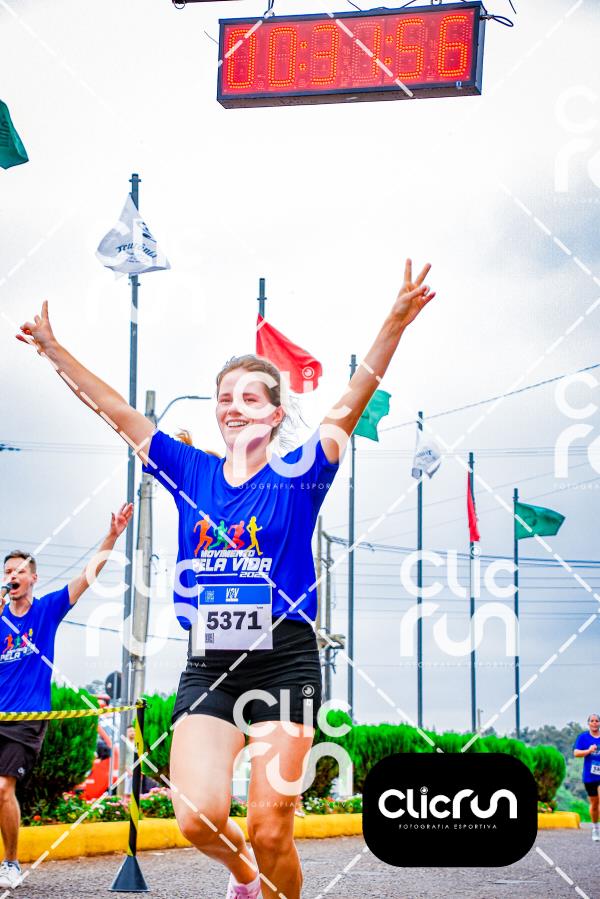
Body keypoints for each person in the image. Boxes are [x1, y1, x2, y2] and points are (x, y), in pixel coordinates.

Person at [17, 259, 435, 898]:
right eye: (224, 398)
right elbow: (115, 411)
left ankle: (268, 880)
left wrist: (394, 323)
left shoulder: (301, 474)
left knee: (270, 828)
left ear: (275, 413)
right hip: (210, 664)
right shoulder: (190, 471)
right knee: (195, 817)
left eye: (250, 398)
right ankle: (243, 877)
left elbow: (353, 398)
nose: (233, 408)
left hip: (285, 662)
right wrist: (53, 349)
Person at [0, 504, 132, 888]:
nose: (13, 576)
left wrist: (112, 536)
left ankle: (10, 862)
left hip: (25, 719)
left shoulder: (46, 611)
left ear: (33, 578)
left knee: (3, 788)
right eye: (8, 572)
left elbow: (88, 576)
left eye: (20, 571)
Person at [573, 714, 600, 841]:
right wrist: (588, 751)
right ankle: (595, 828)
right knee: (594, 804)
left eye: (597, 721)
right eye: (592, 721)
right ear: (588, 723)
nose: (594, 723)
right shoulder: (583, 737)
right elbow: (576, 753)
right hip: (590, 776)